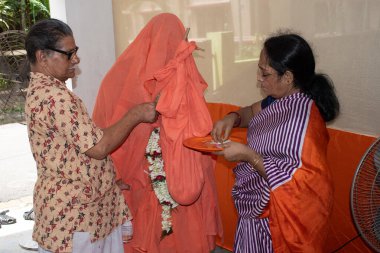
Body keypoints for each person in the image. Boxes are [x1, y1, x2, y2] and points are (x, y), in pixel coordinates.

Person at [92, 13, 222, 253]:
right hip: (152, 182)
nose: (167, 51)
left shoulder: (121, 78)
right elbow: (102, 136)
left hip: (159, 182)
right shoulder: (172, 78)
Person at [24, 18, 157, 253]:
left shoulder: (45, 91)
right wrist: (136, 114)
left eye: (76, 51)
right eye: (68, 53)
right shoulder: (56, 98)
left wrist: (106, 180)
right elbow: (98, 147)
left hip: (78, 207)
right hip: (74, 216)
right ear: (42, 56)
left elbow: (73, 149)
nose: (76, 59)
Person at [211, 32, 340, 253]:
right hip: (257, 207)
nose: (259, 78)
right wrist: (232, 118)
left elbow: (297, 182)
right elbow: (252, 111)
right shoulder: (277, 100)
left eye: (265, 73)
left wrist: (248, 155)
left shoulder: (305, 118)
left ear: (287, 77)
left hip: (281, 218)